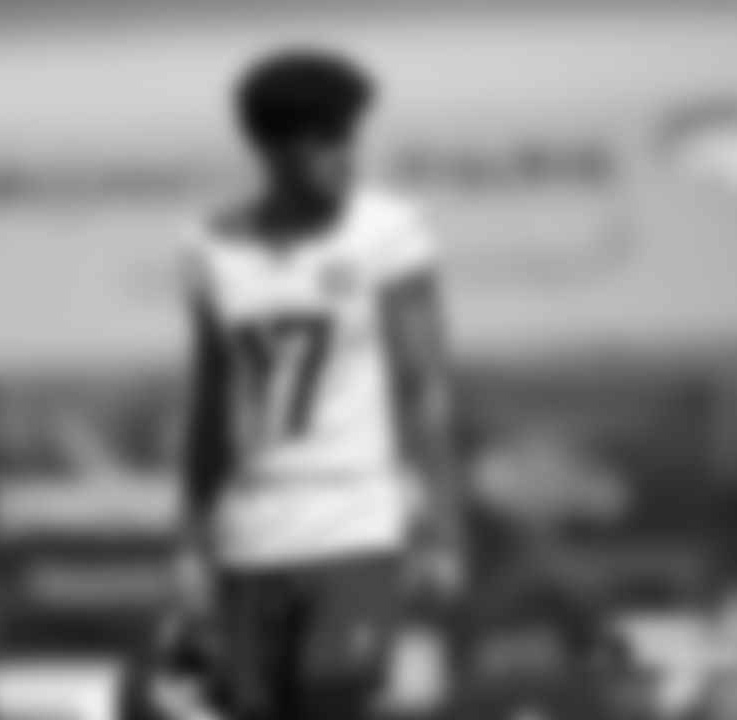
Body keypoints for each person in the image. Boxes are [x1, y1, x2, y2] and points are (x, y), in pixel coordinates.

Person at [170, 48, 465, 720]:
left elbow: (425, 387)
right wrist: (190, 541)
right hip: (251, 529)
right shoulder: (209, 246)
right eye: (325, 142)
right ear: (270, 150)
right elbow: (209, 406)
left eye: (349, 138)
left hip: (354, 521)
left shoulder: (390, 233)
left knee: (334, 696)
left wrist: (443, 530)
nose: (345, 159)